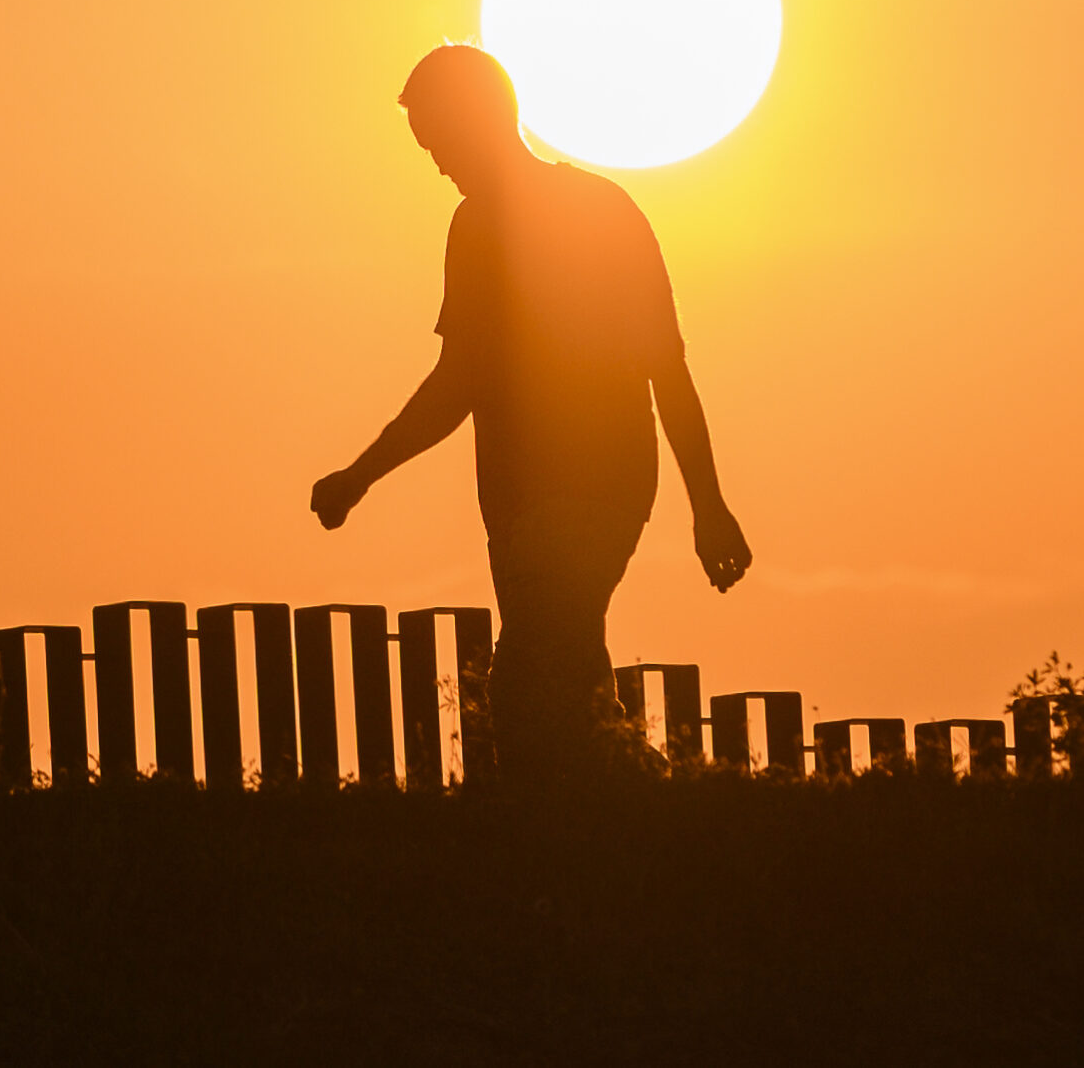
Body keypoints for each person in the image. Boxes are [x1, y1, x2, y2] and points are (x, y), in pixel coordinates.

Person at [311, 44, 753, 780]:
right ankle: (657, 825)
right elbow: (461, 382)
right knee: (573, 692)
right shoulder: (474, 229)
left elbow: (663, 365)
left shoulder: (595, 212)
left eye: (439, 139)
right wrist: (362, 474)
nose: (437, 162)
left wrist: (709, 505)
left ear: (482, 120)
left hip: (591, 491)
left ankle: (639, 820)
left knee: (525, 691)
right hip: (516, 505)